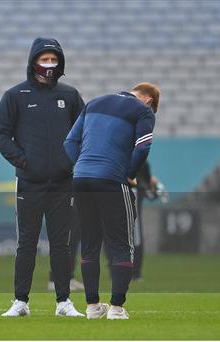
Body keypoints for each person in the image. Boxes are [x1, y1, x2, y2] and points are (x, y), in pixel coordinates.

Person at [0, 37, 85, 317]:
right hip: (29, 183)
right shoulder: (15, 96)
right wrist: (23, 160)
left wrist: (71, 161)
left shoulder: (69, 96)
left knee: (62, 244)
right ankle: (20, 301)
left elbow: (85, 132)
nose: (49, 65)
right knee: (26, 244)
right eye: (44, 60)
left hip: (62, 183)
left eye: (53, 60)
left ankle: (63, 302)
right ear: (33, 62)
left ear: (60, 63)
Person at [64, 82, 159, 320]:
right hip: (112, 180)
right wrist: (130, 173)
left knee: (89, 243)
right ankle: (117, 308)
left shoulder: (94, 103)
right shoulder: (143, 111)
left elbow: (69, 142)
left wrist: (84, 164)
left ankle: (92, 307)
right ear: (149, 99)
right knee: (121, 244)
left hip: (81, 179)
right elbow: (143, 146)